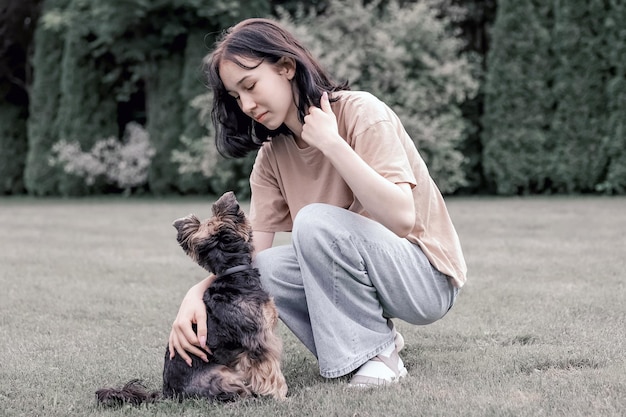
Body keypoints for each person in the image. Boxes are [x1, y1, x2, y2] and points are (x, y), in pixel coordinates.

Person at [168, 17, 467, 387]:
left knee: (313, 221)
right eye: (235, 96)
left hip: (425, 278)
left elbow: (402, 219)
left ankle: (382, 358)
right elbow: (252, 259)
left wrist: (332, 144)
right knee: (267, 269)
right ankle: (373, 345)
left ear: (286, 67)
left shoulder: (361, 112)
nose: (246, 104)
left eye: (250, 85)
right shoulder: (271, 157)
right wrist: (195, 294)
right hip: (367, 276)